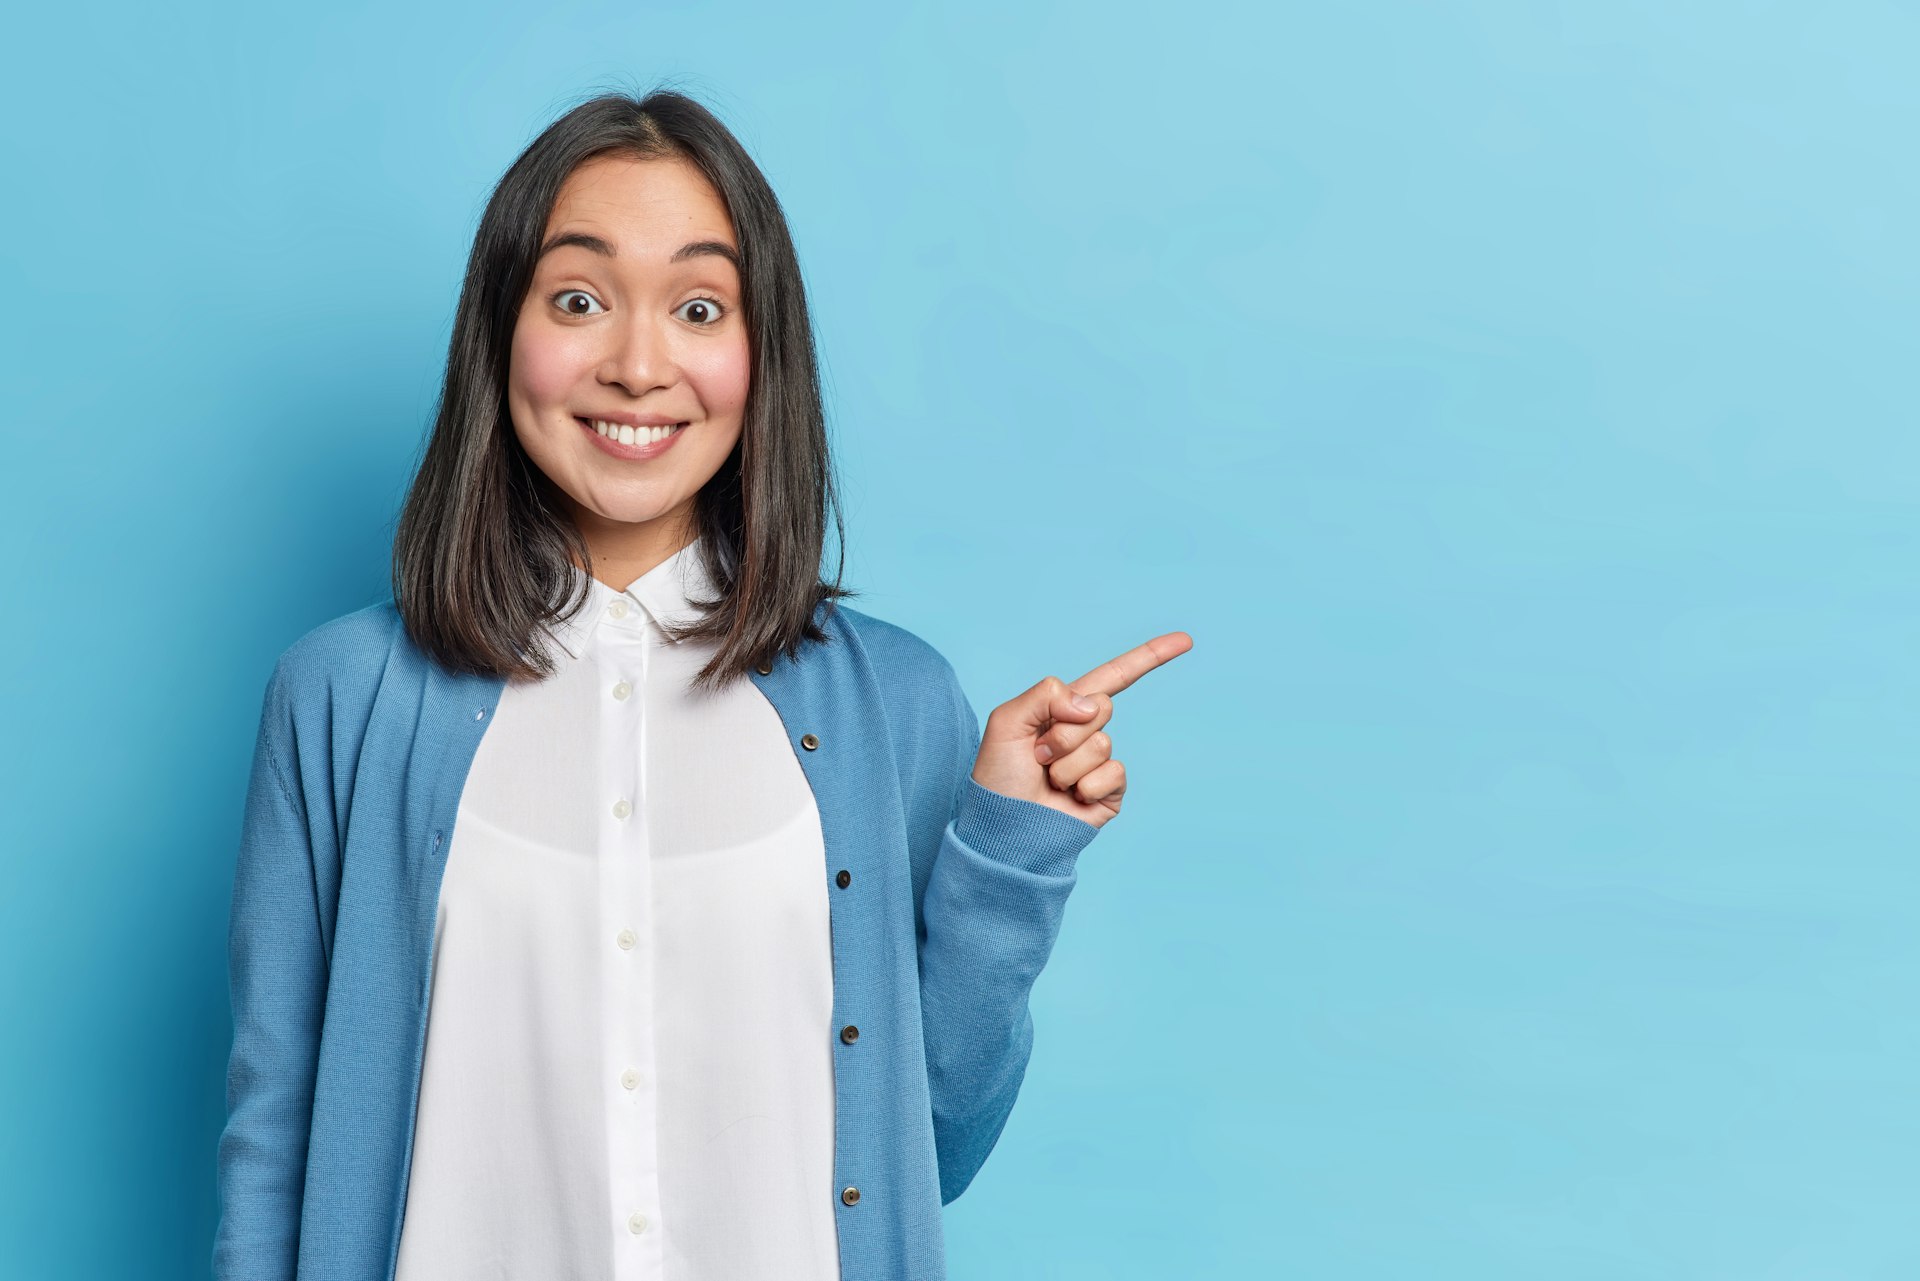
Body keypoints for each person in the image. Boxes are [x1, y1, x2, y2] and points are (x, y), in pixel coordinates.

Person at [212, 87, 1191, 1281]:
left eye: (697, 306)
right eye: (578, 299)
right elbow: (276, 1137)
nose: (637, 365)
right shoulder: (341, 698)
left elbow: (928, 1138)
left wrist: (1012, 850)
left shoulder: (896, 706)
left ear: (757, 352)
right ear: (498, 334)